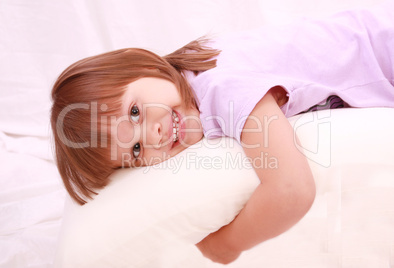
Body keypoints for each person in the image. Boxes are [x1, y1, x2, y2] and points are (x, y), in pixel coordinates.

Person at [50, 2, 394, 264]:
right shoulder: (192, 83)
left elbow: (292, 189)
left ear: (144, 66)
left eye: (135, 111)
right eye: (137, 150)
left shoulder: (221, 87)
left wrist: (226, 245)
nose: (153, 134)